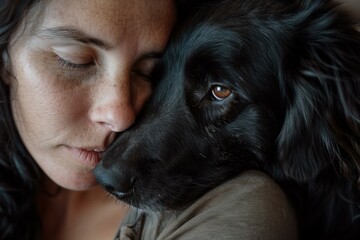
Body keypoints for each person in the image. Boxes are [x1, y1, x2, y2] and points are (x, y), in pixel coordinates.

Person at [0, 0, 299, 240]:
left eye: (146, 72)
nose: (121, 115)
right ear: (4, 53)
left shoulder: (240, 209)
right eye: (75, 60)